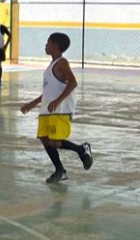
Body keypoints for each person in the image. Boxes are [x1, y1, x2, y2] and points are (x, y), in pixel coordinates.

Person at [20, 33, 91, 184]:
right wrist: (31, 104)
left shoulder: (62, 63)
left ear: (55, 45)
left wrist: (58, 101)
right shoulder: (51, 66)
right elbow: (48, 91)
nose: (45, 45)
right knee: (45, 139)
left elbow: (73, 83)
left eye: (48, 42)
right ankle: (60, 170)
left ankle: (81, 149)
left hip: (59, 110)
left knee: (53, 141)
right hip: (47, 110)